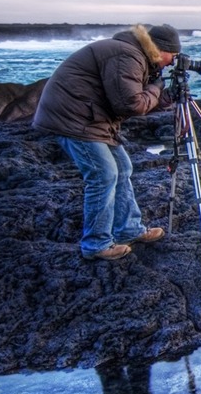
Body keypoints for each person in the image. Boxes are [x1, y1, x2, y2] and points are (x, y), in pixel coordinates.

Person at [33, 23, 182, 260]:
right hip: (74, 119)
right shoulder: (127, 55)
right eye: (172, 57)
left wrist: (162, 95)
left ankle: (128, 229)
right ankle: (96, 244)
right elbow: (131, 104)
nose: (171, 63)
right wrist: (156, 87)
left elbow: (131, 98)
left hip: (90, 118)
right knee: (103, 176)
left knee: (123, 168)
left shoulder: (132, 54)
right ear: (160, 49)